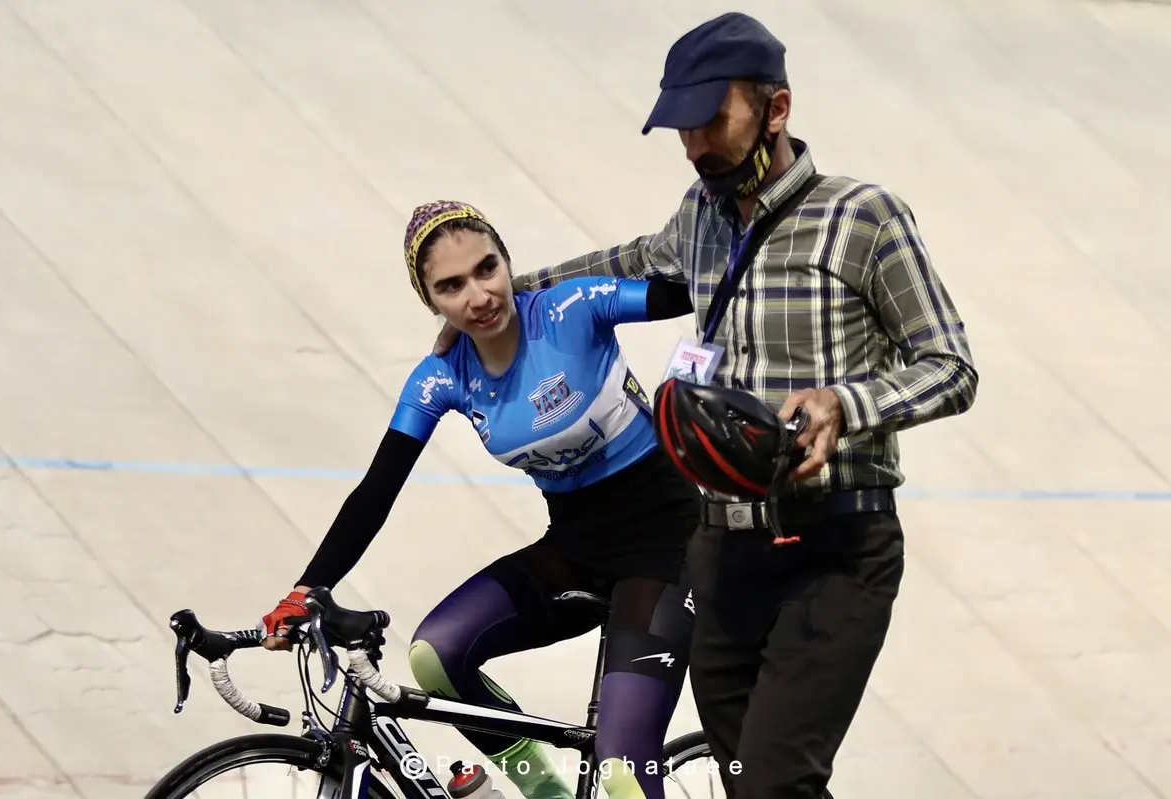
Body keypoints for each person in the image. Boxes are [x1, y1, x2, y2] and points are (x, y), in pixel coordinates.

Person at [434, 12, 979, 798]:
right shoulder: (702, 217)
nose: (694, 145)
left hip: (834, 545)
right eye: (680, 128)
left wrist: (846, 404)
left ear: (777, 109)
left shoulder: (864, 218)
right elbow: (620, 262)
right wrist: (498, 299)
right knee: (749, 783)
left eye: (709, 121)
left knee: (770, 782)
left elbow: (951, 366)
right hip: (723, 552)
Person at [259, 200, 704, 799]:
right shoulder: (442, 377)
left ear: (508, 264)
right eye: (451, 286)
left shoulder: (571, 309)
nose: (478, 296)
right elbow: (376, 489)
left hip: (668, 547)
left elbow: (690, 290)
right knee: (436, 656)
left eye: (487, 269)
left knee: (624, 771)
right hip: (575, 549)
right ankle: (542, 789)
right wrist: (307, 587)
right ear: (431, 302)